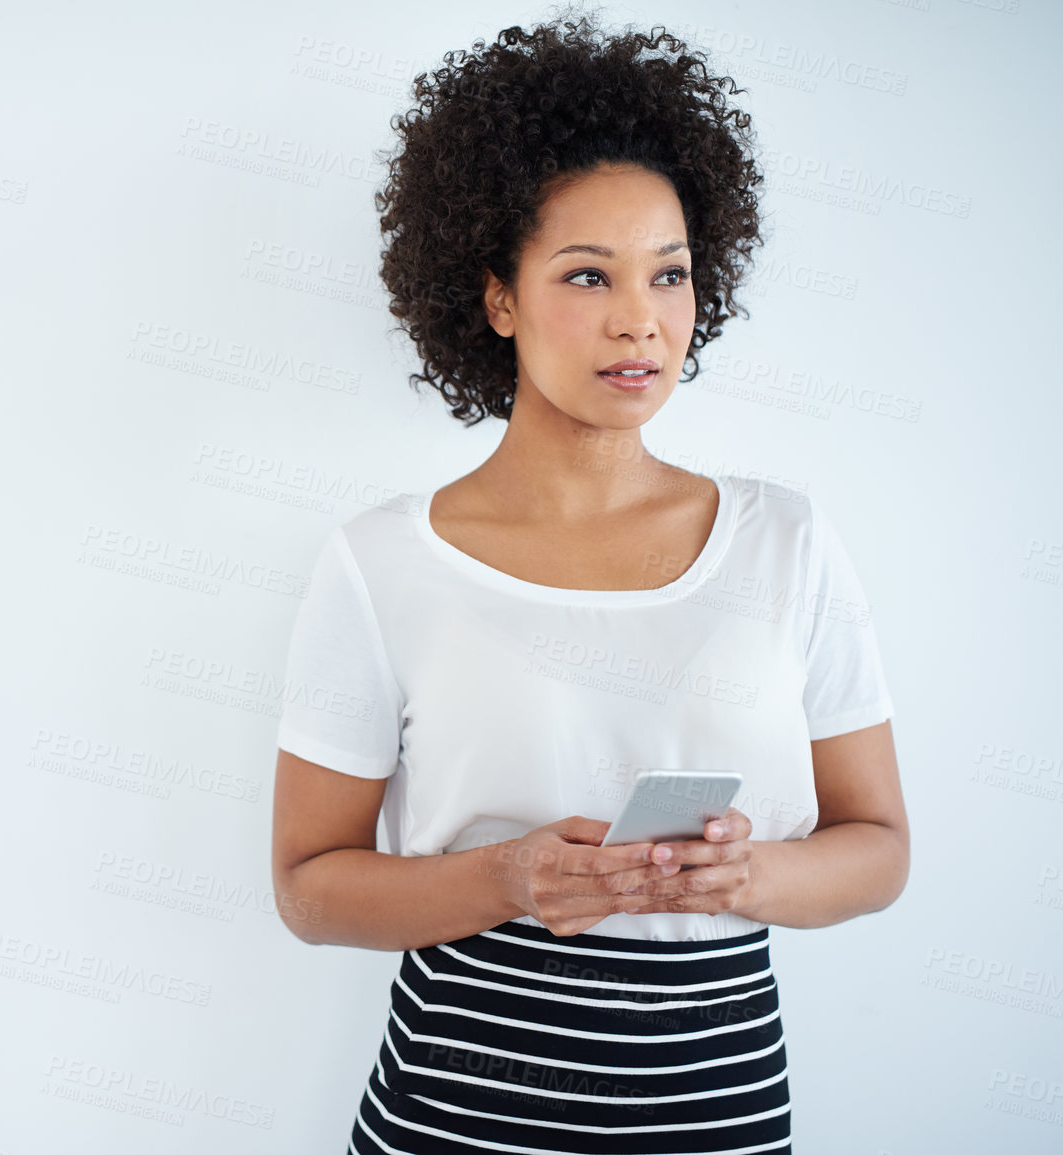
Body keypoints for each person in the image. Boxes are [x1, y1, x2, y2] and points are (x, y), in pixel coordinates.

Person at [269, 10, 909, 1154]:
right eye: (585, 274)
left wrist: (745, 876)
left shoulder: (788, 543)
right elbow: (310, 889)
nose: (640, 322)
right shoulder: (378, 564)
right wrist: (510, 878)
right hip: (454, 1126)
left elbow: (880, 850)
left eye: (670, 275)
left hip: (720, 1123)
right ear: (498, 299)